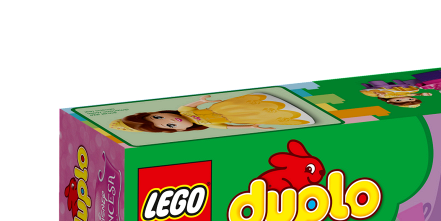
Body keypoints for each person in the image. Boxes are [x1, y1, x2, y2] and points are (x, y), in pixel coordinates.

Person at [110, 93, 312, 134]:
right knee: (266, 114)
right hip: (240, 117)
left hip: (227, 108)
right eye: (169, 125)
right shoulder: (210, 125)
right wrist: (252, 126)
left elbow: (196, 103)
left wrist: (204, 101)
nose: (171, 120)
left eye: (158, 117)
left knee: (258, 104)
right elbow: (230, 126)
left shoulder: (184, 110)